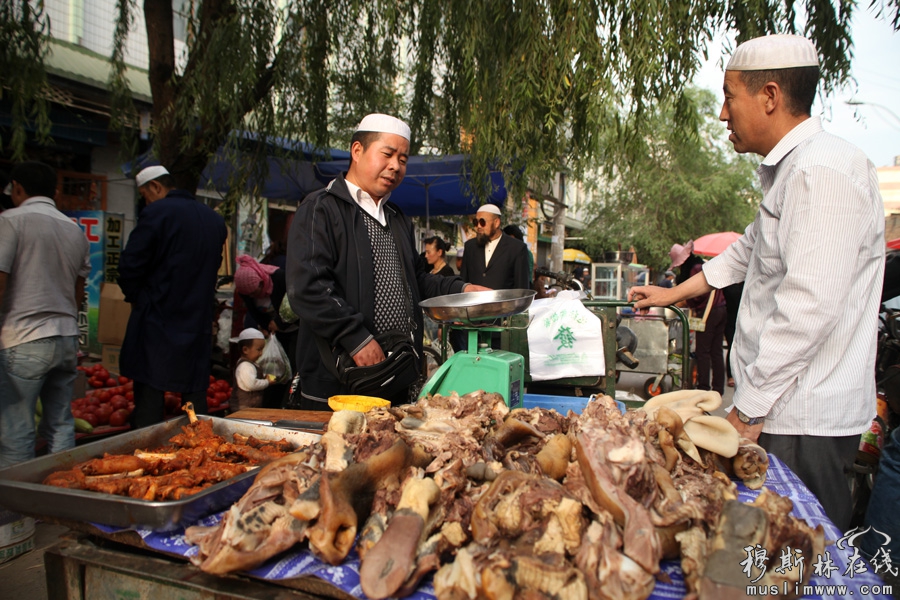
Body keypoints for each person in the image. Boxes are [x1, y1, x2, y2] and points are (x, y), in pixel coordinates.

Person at [629, 34, 884, 531]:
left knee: (801, 551)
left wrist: (745, 412)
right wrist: (674, 293)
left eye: (728, 96)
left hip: (802, 415)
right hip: (780, 406)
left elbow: (807, 308)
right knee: (765, 552)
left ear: (769, 96)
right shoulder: (793, 170)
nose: (723, 114)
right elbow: (750, 248)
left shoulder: (822, 171)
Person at [286, 113, 489, 409]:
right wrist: (356, 339)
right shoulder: (321, 208)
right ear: (357, 151)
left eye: (403, 159)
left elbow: (417, 280)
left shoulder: (397, 219)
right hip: (339, 379)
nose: (395, 165)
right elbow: (308, 287)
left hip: (394, 373)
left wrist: (462, 290)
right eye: (388, 154)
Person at [119, 165, 228, 429]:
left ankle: (148, 458)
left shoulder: (157, 212)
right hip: (197, 322)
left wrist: (138, 298)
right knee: (194, 397)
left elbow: (130, 267)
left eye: (145, 194)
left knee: (149, 401)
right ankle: (201, 452)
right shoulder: (214, 221)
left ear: (155, 187)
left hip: (157, 320)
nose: (146, 200)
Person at [0, 161, 91, 467]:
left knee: (16, 430)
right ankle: (62, 500)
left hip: (23, 337)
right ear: (54, 191)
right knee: (60, 424)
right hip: (65, 337)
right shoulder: (74, 231)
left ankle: (14, 512)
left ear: (17, 188)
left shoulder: (11, 221)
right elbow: (78, 293)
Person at [234, 254, 298, 408]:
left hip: (293, 331)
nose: (253, 296)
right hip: (272, 334)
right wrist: (266, 326)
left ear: (262, 282)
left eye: (255, 292)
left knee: (291, 369)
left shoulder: (280, 279)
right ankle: (271, 404)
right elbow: (255, 312)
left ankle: (287, 404)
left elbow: (295, 304)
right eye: (249, 295)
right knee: (273, 369)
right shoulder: (246, 293)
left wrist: (279, 323)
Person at [671, 242, 727, 395]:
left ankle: (703, 387)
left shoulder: (695, 269)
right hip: (721, 309)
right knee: (716, 351)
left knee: (703, 351)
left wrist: (686, 300)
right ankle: (718, 387)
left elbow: (699, 294)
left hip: (709, 312)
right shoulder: (702, 266)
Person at [460, 204, 531, 291]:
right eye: (476, 222)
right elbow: (463, 283)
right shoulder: (470, 247)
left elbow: (521, 290)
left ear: (496, 222)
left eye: (482, 222)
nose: (478, 226)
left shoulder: (517, 248)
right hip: (474, 304)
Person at [230, 328, 277, 411]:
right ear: (245, 350)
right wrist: (267, 382)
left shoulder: (251, 364)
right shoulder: (245, 366)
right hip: (243, 409)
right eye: (259, 350)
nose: (261, 353)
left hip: (251, 408)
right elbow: (252, 384)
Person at [722, 282, 744, 387]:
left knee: (742, 348)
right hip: (730, 319)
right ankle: (731, 375)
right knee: (732, 346)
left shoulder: (748, 283)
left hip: (744, 320)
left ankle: (740, 375)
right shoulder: (727, 285)